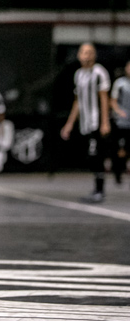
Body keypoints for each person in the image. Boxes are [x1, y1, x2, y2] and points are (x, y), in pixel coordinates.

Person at [60, 43, 111, 203]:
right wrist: (69, 124)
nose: (86, 55)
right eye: (83, 52)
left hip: (96, 122)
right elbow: (78, 102)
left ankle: (99, 190)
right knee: (90, 156)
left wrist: (105, 122)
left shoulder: (99, 73)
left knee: (96, 155)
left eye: (89, 52)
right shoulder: (79, 75)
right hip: (85, 122)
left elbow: (104, 99)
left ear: (94, 55)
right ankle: (96, 188)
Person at [110, 60, 130, 185]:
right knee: (118, 149)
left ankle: (122, 167)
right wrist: (119, 111)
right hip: (120, 122)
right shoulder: (120, 83)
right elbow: (113, 100)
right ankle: (117, 171)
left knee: (127, 149)